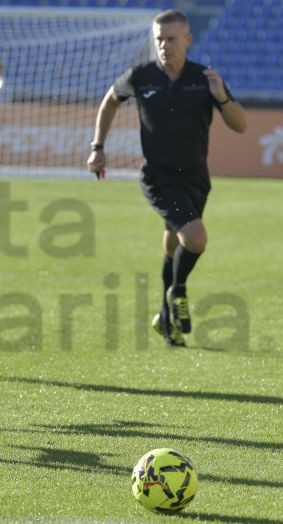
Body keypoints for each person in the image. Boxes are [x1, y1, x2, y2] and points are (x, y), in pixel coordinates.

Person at [86, 9, 247, 347]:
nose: (164, 45)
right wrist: (98, 146)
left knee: (174, 240)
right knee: (196, 238)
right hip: (158, 176)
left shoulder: (204, 77)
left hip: (196, 176)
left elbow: (240, 124)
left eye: (171, 39)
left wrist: (223, 96)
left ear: (188, 40)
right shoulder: (141, 76)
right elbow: (110, 102)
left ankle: (166, 317)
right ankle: (179, 291)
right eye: (159, 39)